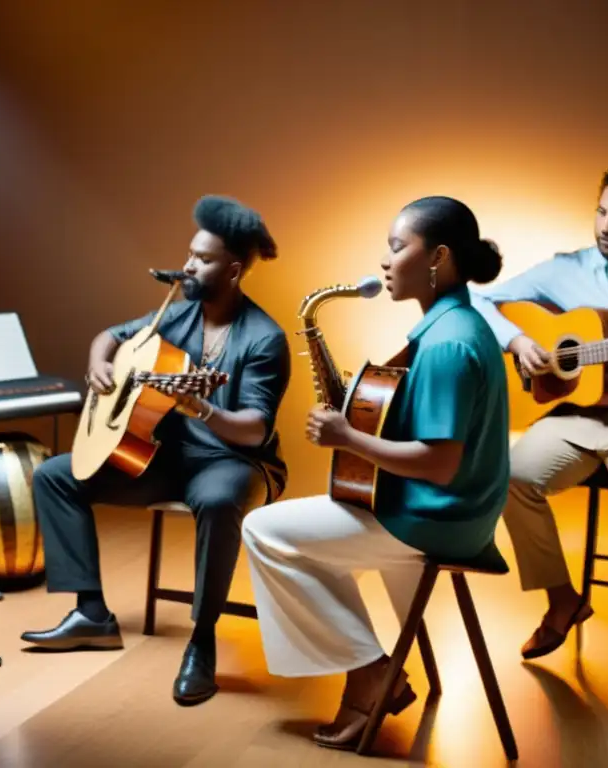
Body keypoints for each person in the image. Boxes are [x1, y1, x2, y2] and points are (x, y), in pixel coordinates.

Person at [242, 196, 509, 749]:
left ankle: (370, 676)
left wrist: (347, 436)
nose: (386, 262)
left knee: (263, 532)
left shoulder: (448, 344)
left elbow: (439, 463)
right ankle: (367, 673)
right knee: (315, 548)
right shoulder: (456, 324)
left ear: (437, 256)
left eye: (397, 247)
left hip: (435, 517)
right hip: (459, 513)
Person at [21, 195, 290, 706]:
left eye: (203, 259)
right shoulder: (178, 311)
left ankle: (202, 641)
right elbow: (112, 335)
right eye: (189, 253)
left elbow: (255, 429)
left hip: (232, 462)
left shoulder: (264, 338)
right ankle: (92, 614)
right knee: (55, 475)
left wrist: (202, 408)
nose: (188, 265)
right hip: (166, 455)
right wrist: (98, 364)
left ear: (233, 270)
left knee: (214, 501)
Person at [469, 161, 608, 698]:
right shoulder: (565, 268)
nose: (606, 227)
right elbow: (480, 299)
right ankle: (563, 599)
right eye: (601, 211)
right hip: (577, 416)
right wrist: (518, 343)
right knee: (506, 476)